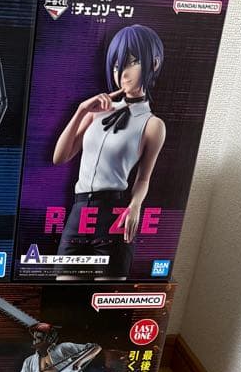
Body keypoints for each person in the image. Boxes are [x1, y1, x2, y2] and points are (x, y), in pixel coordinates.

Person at [52, 24, 166, 280]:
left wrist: (135, 206)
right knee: (62, 295)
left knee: (105, 298)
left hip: (113, 215)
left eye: (132, 62)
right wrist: (81, 110)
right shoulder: (97, 112)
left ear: (154, 63)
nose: (122, 73)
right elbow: (59, 157)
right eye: (116, 65)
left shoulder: (153, 125)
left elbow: (144, 178)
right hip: (79, 212)